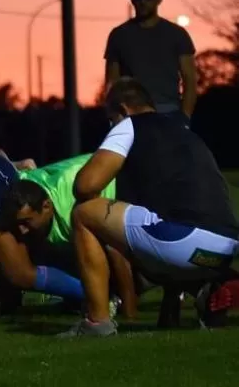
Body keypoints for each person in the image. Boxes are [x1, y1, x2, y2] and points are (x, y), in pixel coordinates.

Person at [61, 77, 239, 337]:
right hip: (223, 250)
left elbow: (86, 186)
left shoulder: (130, 126)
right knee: (159, 222)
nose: (111, 125)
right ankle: (209, 287)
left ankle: (96, 322)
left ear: (122, 110)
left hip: (182, 243)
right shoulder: (185, 132)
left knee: (84, 214)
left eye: (111, 119)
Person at [0, 155, 125, 310]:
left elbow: (113, 253)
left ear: (47, 207)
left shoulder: (73, 214)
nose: (21, 230)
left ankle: (112, 299)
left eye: (26, 222)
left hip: (117, 181)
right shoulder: (18, 190)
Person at [104, 0, 197, 128]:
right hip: (131, 114)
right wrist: (114, 118)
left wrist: (184, 118)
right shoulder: (119, 35)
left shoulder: (177, 34)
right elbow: (111, 82)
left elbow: (190, 80)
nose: (143, 2)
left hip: (169, 113)